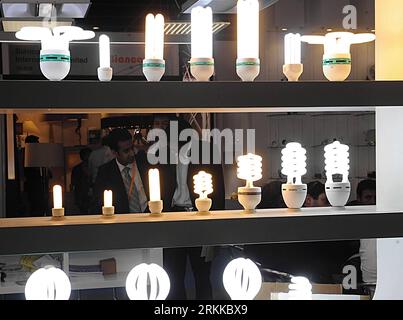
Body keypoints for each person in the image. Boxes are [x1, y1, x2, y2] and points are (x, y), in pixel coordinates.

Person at [153, 117, 225, 300]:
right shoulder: (164, 154)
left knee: (202, 274)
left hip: (199, 214)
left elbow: (218, 190)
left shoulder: (206, 151)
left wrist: (214, 227)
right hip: (172, 216)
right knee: (173, 275)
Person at [91, 128, 149, 214]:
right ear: (114, 153)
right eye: (126, 151)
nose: (132, 153)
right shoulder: (105, 172)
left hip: (148, 217)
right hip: (121, 221)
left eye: (132, 148)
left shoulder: (144, 163)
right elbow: (98, 204)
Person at [355, 179, 377, 285]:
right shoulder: (351, 219)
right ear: (359, 199)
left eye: (376, 198)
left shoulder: (383, 217)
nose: (373, 201)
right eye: (368, 197)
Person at [24, 135, 49, 217]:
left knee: (40, 206)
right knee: (36, 206)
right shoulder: (27, 156)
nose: (38, 144)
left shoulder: (36, 155)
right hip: (34, 185)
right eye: (36, 143)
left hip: (39, 185)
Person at [71, 147, 92, 214]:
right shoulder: (77, 169)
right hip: (82, 195)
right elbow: (74, 183)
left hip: (92, 195)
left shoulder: (94, 167)